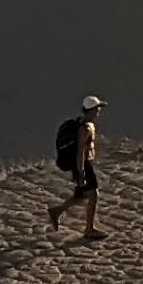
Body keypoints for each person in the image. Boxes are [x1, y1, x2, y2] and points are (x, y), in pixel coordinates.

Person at [48, 94, 105, 238]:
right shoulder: (84, 129)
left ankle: (56, 211)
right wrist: (81, 172)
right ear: (91, 111)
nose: (98, 112)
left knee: (80, 196)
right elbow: (80, 152)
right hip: (83, 165)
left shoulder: (83, 123)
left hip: (83, 164)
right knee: (94, 194)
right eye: (97, 109)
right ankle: (89, 229)